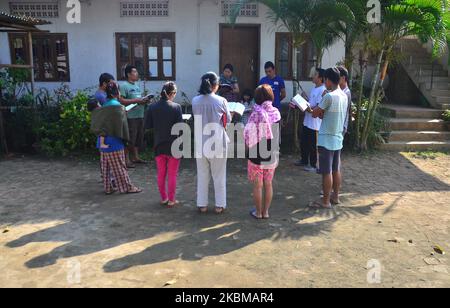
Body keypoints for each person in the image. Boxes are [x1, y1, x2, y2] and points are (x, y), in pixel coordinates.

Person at [91, 81, 142, 195]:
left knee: (106, 168)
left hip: (102, 142)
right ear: (116, 92)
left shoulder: (104, 105)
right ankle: (128, 187)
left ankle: (108, 188)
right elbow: (120, 125)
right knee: (120, 167)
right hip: (114, 142)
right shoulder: (118, 106)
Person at [192, 72, 232, 214]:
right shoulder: (221, 101)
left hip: (201, 142)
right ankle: (219, 205)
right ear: (215, 85)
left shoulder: (195, 100)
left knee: (202, 174)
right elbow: (228, 119)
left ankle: (202, 205)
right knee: (219, 175)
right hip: (218, 142)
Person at [310, 67, 349, 209]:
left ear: (327, 80)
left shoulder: (328, 96)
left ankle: (325, 201)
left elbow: (315, 113)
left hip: (326, 138)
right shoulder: (343, 95)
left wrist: (307, 108)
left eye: (325, 79)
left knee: (326, 171)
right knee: (336, 169)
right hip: (338, 137)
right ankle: (335, 197)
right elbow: (325, 114)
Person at [244, 85, 281, 220]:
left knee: (258, 185)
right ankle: (266, 212)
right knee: (268, 183)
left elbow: (248, 133)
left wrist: (247, 147)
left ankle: (258, 212)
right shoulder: (276, 112)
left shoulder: (256, 113)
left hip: (257, 151)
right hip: (271, 151)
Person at [145, 82, 183, 208]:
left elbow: (148, 126)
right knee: (172, 174)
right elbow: (180, 128)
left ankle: (164, 198)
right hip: (174, 145)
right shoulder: (176, 107)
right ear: (172, 93)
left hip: (159, 144)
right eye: (175, 93)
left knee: (161, 173)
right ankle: (172, 200)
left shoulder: (152, 107)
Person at [294, 68, 327, 172]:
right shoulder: (314, 88)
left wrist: (307, 108)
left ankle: (313, 165)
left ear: (321, 78)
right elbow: (311, 103)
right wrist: (304, 100)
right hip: (307, 121)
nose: (313, 76)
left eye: (315, 74)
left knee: (313, 145)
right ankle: (304, 160)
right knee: (304, 142)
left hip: (315, 123)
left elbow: (318, 107)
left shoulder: (322, 90)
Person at [119, 65, 150, 168]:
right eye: (135, 72)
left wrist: (144, 100)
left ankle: (135, 157)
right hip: (130, 116)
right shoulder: (124, 86)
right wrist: (136, 100)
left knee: (138, 137)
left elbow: (138, 100)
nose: (137, 74)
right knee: (130, 138)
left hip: (140, 115)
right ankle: (126, 159)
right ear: (128, 74)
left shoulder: (136, 86)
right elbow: (121, 101)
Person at [338, 66, 352, 134]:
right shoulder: (339, 90)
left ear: (343, 78)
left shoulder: (346, 93)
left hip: (341, 126)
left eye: (337, 77)